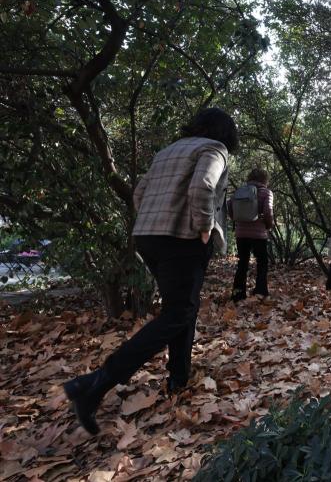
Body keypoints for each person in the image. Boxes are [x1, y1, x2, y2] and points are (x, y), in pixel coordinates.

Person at [62, 107, 238, 435]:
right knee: (178, 313)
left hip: (148, 237)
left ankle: (178, 379)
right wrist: (204, 227)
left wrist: (154, 220)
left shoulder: (168, 151)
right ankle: (96, 383)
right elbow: (202, 187)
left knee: (181, 309)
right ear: (226, 133)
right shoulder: (214, 148)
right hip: (182, 239)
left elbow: (139, 193)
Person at [229, 168, 274, 300]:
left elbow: (229, 206)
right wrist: (268, 225)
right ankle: (260, 291)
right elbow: (268, 211)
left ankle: (238, 294)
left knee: (242, 263)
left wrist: (237, 220)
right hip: (259, 234)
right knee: (262, 263)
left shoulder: (239, 191)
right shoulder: (266, 192)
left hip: (241, 234)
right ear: (265, 179)